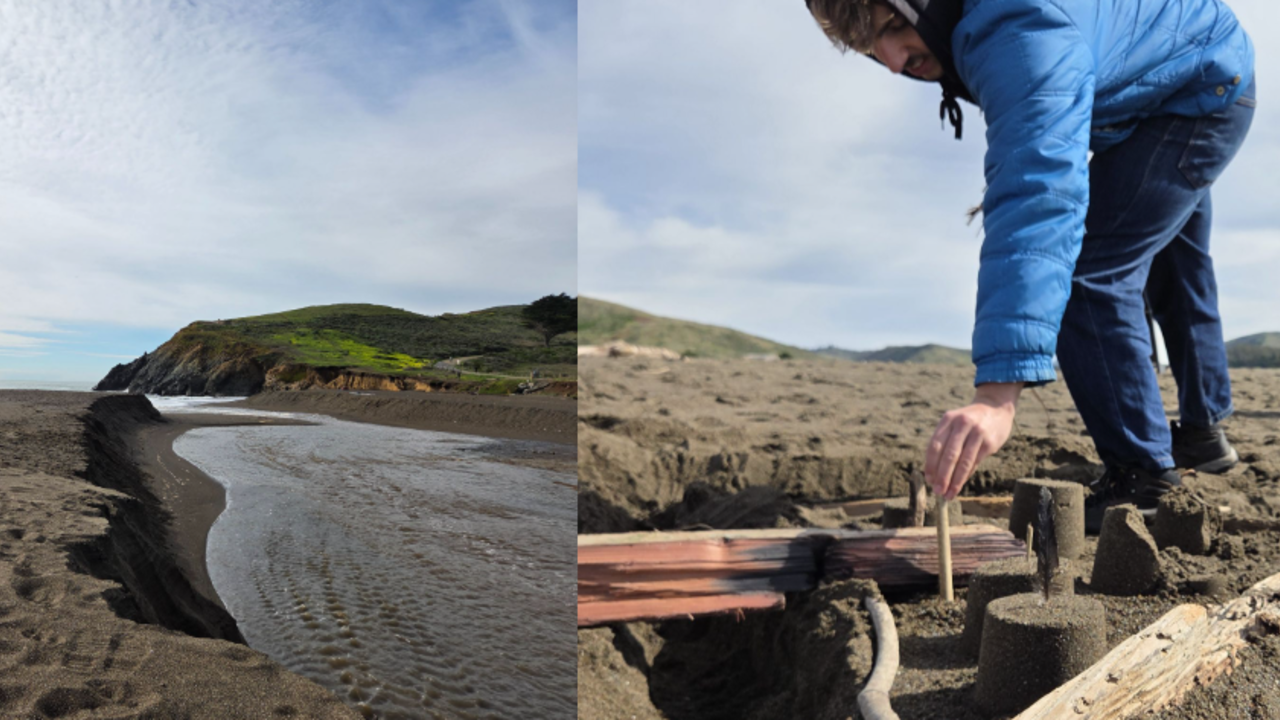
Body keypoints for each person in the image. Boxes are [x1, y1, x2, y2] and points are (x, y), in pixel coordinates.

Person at [804, 0, 1255, 531]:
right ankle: (1203, 437)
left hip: (1197, 93)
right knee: (1176, 268)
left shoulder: (1018, 27)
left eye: (896, 28)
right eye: (870, 50)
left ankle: (1143, 479)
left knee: (1087, 274)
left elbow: (1038, 193)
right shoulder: (982, 25)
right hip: (1189, 68)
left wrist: (996, 395)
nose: (895, 62)